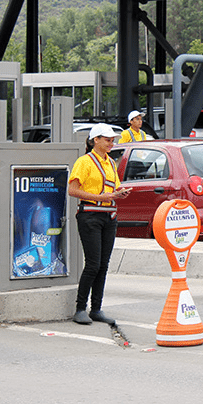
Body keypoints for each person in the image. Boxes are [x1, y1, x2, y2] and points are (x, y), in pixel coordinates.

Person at [68, 123, 131, 326]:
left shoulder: (111, 163)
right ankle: (80, 308)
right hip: (90, 216)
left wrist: (121, 193)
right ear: (96, 140)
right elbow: (72, 190)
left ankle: (96, 308)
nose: (111, 143)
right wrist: (99, 196)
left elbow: (115, 187)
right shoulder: (84, 162)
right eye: (108, 140)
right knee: (93, 264)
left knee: (103, 265)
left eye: (113, 140)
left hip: (109, 217)